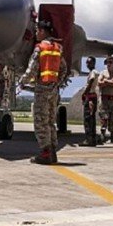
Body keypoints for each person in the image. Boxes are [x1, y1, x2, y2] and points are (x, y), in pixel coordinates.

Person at [19, 19, 67, 164]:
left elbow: (32, 69)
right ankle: (52, 152)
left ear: (42, 31)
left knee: (40, 121)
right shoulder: (58, 48)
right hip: (53, 90)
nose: (35, 33)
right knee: (51, 121)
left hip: (42, 89)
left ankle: (45, 153)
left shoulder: (40, 48)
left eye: (37, 31)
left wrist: (22, 81)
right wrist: (57, 82)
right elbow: (64, 68)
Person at [98, 54, 113, 143]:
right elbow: (99, 83)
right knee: (103, 117)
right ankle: (102, 135)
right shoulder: (103, 73)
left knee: (112, 118)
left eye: (110, 62)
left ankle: (112, 136)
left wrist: (106, 81)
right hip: (104, 99)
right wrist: (110, 82)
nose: (108, 64)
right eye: (107, 62)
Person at [81, 56, 99, 147]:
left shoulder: (93, 72)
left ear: (93, 63)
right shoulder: (94, 72)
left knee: (88, 119)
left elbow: (91, 81)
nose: (87, 64)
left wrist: (85, 93)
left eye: (89, 62)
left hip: (90, 97)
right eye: (87, 63)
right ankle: (93, 139)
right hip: (92, 96)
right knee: (91, 119)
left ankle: (89, 140)